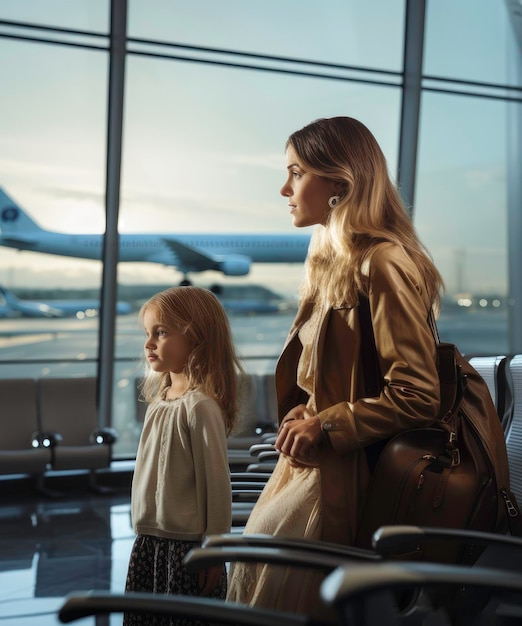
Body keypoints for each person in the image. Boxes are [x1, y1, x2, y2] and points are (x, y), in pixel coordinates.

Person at [226, 116, 445, 616]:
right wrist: (304, 410)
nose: (285, 188)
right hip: (312, 465)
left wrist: (324, 423)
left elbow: (417, 394)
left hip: (344, 476)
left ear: (339, 184)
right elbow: (329, 376)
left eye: (297, 172)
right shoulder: (330, 261)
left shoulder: (383, 261)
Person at [124, 286, 245, 626]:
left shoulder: (199, 407)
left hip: (185, 547)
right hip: (150, 540)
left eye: (160, 333)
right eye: (147, 333)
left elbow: (217, 486)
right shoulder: (160, 401)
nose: (149, 343)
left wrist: (214, 551)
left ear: (197, 338)